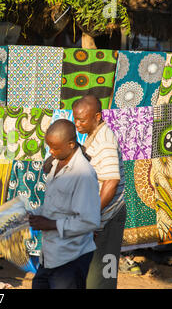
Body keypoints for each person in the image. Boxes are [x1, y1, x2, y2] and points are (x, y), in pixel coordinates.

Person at [29, 119, 101, 289]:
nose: (51, 152)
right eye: (49, 147)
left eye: (55, 148)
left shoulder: (83, 174)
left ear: (70, 144)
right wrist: (32, 215)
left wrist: (50, 224)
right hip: (50, 256)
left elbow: (89, 221)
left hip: (71, 257)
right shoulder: (56, 164)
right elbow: (54, 204)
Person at [71, 95, 128, 289]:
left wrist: (92, 216)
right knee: (90, 275)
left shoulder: (105, 141)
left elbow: (111, 182)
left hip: (108, 218)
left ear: (97, 116)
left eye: (82, 120)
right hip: (99, 217)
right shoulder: (92, 134)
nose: (77, 124)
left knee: (102, 278)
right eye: (75, 119)